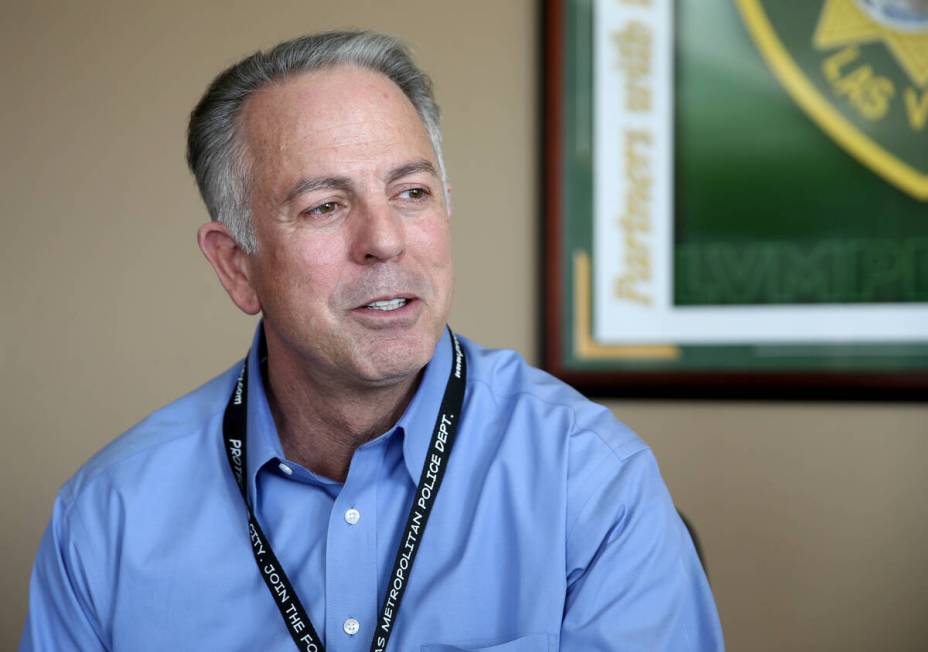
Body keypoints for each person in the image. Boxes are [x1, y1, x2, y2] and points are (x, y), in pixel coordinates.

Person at [20, 31, 723, 651]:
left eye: (411, 192)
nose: (384, 240)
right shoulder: (109, 518)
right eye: (324, 205)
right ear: (238, 266)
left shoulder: (593, 485)